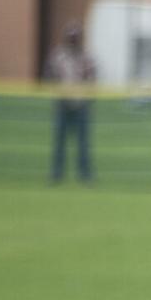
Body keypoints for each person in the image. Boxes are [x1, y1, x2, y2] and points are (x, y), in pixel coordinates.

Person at [44, 23, 98, 184]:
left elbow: (92, 78)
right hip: (62, 104)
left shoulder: (86, 57)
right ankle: (57, 174)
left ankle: (85, 175)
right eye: (71, 38)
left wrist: (88, 97)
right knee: (59, 142)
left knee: (83, 144)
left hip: (81, 105)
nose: (73, 41)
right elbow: (49, 75)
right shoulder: (58, 56)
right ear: (66, 39)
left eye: (75, 38)